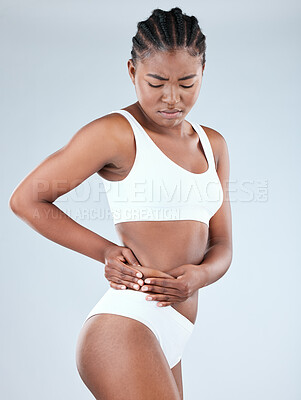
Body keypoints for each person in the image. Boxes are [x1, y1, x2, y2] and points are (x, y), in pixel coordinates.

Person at [9, 7, 232, 400]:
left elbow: (223, 247)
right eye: (156, 82)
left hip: (172, 334)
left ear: (203, 74)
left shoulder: (213, 145)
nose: (171, 98)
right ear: (132, 72)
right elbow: (27, 200)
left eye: (186, 83)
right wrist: (108, 252)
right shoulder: (116, 133)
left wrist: (199, 277)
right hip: (126, 327)